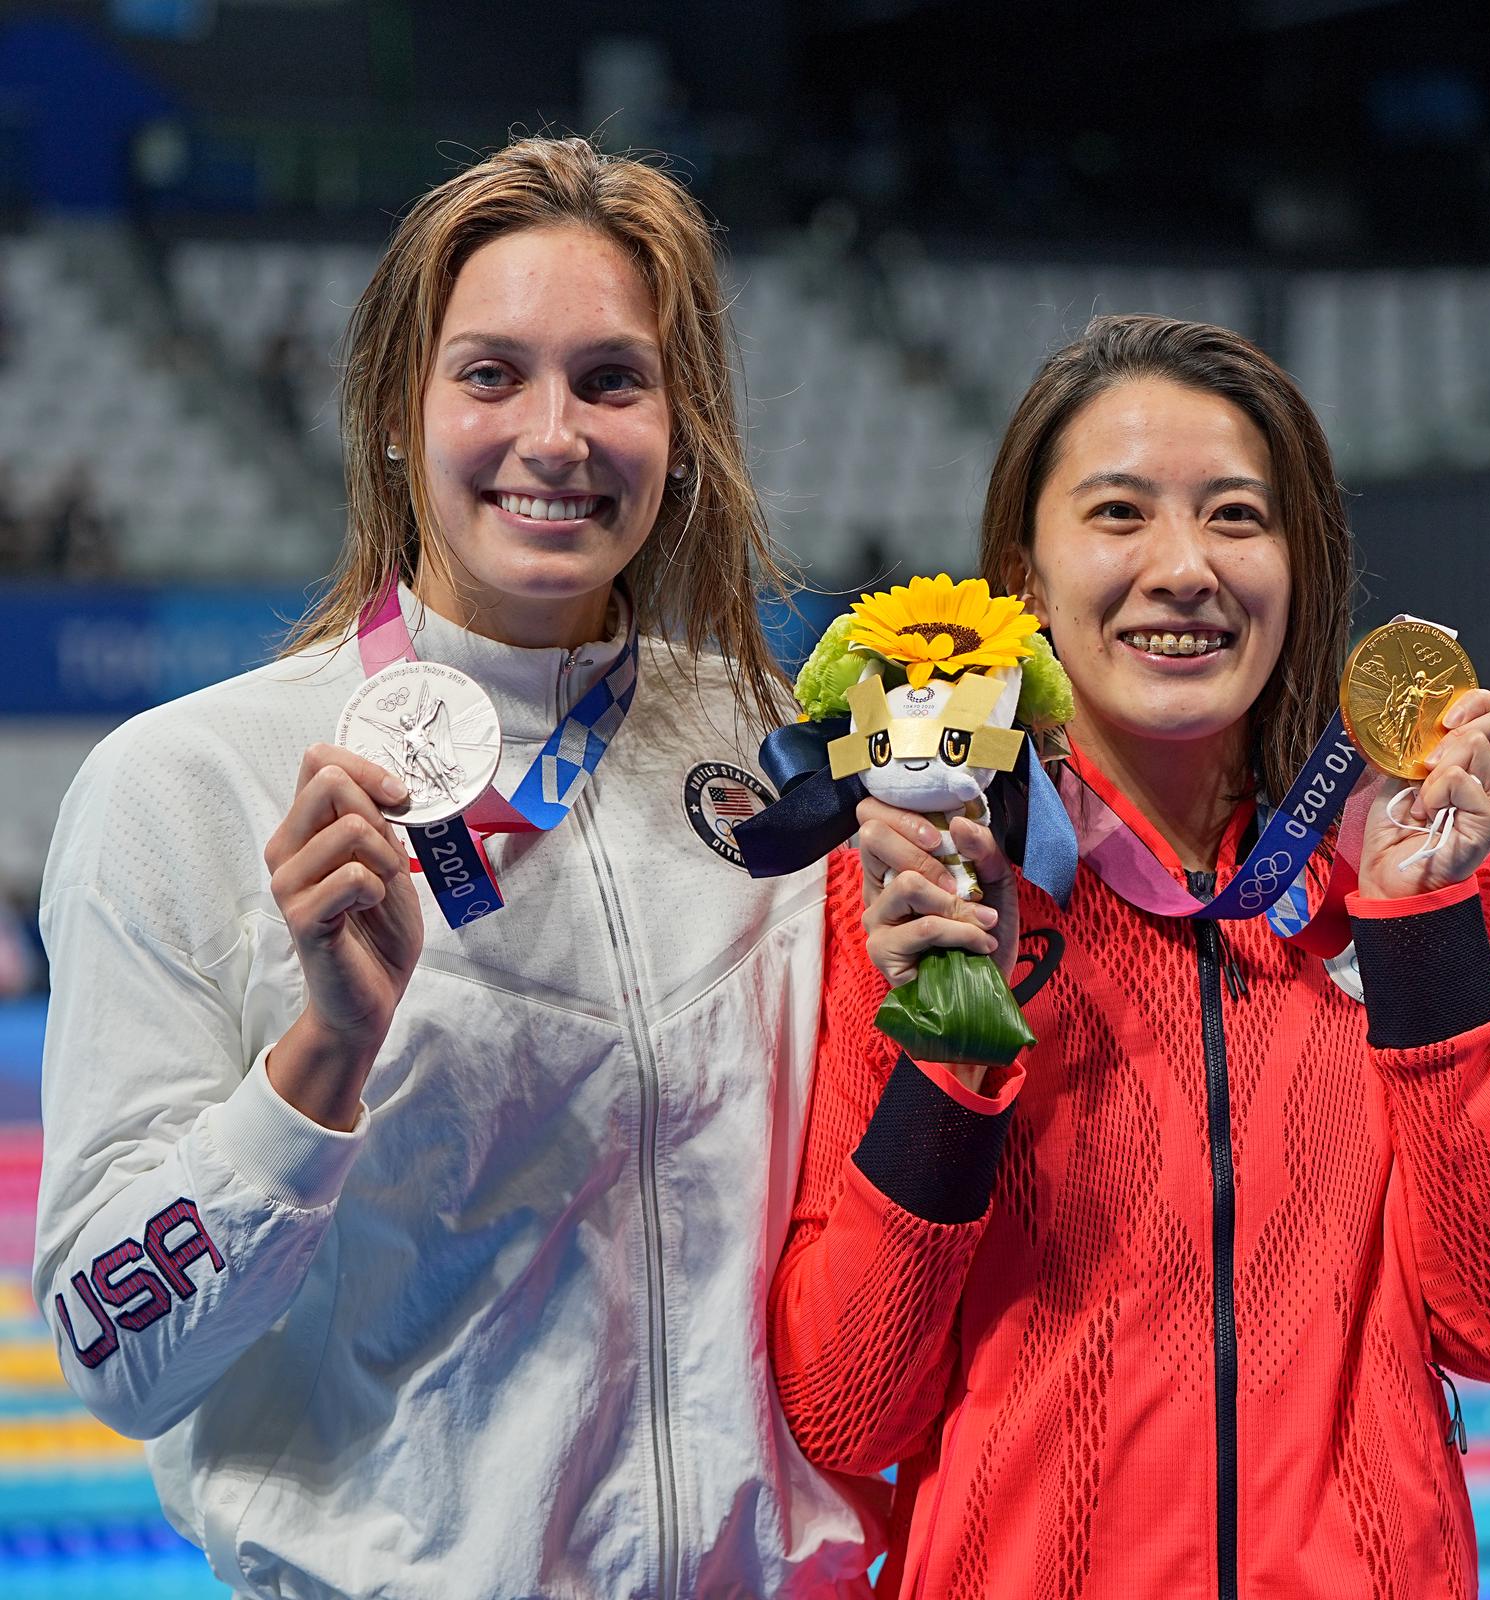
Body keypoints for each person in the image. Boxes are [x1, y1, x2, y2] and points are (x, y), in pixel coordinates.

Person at [36, 136, 873, 1598]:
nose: (556, 432)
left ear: (680, 433)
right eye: (491, 375)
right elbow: (115, 1352)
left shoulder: (770, 756)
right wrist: (321, 1062)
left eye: (612, 380)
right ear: (393, 415)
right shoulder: (185, 786)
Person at [766, 314, 1490, 1597]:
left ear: (1302, 561)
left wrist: (1418, 934)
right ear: (1023, 575)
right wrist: (952, 1041)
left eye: (1236, 516)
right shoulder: (917, 880)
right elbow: (848, 1405)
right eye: (1118, 514)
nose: (1185, 569)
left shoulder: (1423, 851)